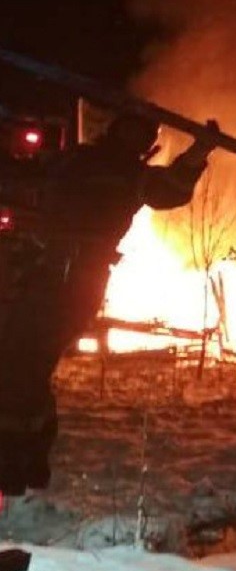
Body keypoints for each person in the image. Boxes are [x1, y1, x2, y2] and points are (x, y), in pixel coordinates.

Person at [0, 113, 219, 496]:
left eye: (142, 133)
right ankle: (25, 462)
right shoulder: (75, 160)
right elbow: (26, 176)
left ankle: (21, 463)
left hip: (75, 280)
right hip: (37, 270)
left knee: (25, 363)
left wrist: (199, 151)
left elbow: (172, 188)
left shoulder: (135, 178)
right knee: (20, 363)